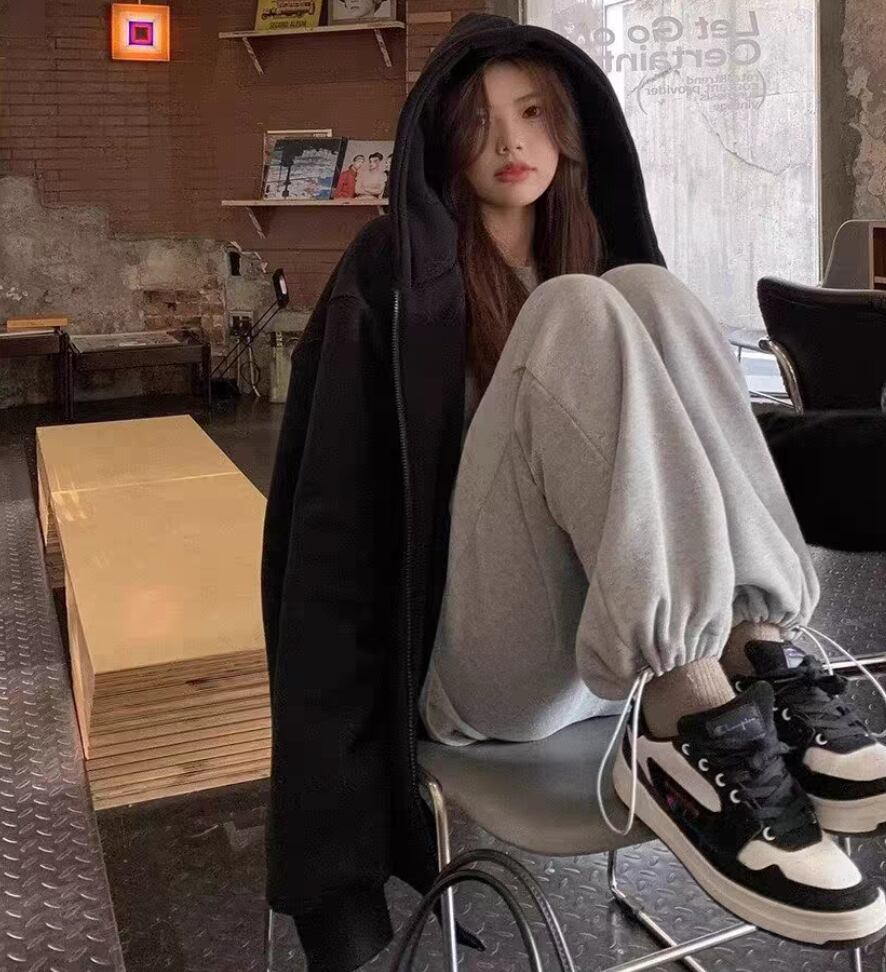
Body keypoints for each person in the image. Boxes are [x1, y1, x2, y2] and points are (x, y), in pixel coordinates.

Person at [261, 13, 886, 972]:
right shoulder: (392, 278)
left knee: (652, 291)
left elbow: (724, 455)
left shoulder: (602, 262)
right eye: (479, 122)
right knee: (578, 306)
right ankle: (688, 719)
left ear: (570, 128)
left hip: (606, 664)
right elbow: (330, 542)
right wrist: (330, 877)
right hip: (482, 676)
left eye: (532, 113)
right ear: (442, 139)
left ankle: (758, 657)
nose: (510, 143)